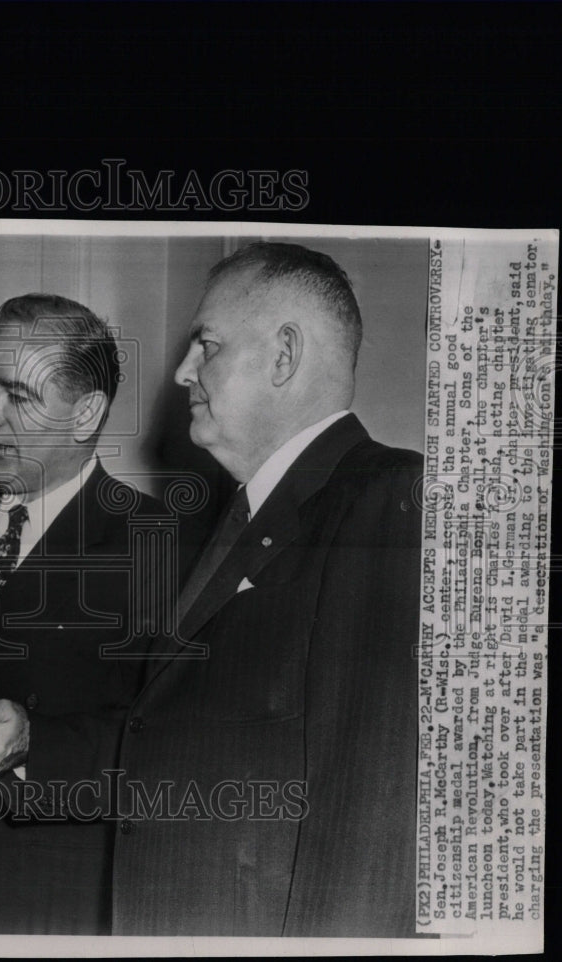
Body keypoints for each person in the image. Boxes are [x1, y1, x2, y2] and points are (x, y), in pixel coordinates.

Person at [26, 244, 423, 936]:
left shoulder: (388, 497)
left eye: (205, 346)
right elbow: (174, 737)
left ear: (283, 357)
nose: (182, 373)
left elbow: (377, 814)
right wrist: (25, 745)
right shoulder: (240, 518)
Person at [0, 294, 189, 934]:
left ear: (87, 414)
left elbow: (174, 751)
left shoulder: (161, 543)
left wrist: (31, 745)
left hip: (42, 906)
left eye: (17, 397)